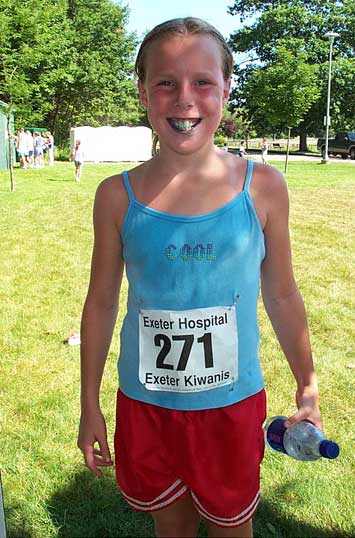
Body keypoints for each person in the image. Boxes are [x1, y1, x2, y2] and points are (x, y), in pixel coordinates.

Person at [78, 17, 322, 538]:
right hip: (147, 405)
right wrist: (88, 403)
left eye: (202, 82)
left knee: (233, 527)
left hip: (230, 407)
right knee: (173, 525)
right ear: (143, 91)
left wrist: (308, 386)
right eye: (165, 82)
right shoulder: (116, 196)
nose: (183, 98)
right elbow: (101, 302)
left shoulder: (264, 188)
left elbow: (280, 292)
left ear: (226, 89)